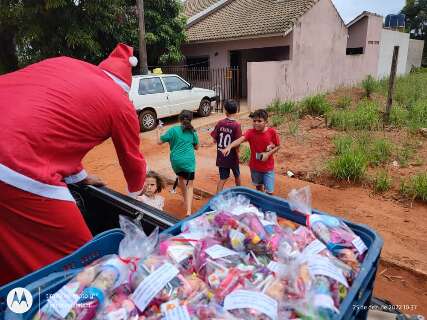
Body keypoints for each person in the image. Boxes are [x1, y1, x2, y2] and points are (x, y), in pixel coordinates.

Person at [0, 43, 147, 285]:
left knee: (10, 239)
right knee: (83, 257)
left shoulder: (69, 65)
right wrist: (137, 196)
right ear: (126, 87)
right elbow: (133, 162)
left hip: (13, 147)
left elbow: (56, 129)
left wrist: (80, 177)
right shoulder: (120, 103)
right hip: (14, 160)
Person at [222, 109, 280, 195]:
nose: (256, 123)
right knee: (259, 188)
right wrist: (229, 146)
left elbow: (278, 145)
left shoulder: (272, 132)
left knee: (269, 192)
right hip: (255, 168)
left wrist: (268, 154)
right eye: (254, 121)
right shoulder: (250, 133)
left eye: (259, 121)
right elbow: (240, 140)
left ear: (266, 122)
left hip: (268, 168)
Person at [158, 110, 199, 216]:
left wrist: (159, 130)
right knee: (190, 185)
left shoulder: (173, 130)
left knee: (181, 178)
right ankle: (189, 211)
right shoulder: (192, 131)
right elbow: (197, 147)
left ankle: (186, 200)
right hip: (188, 162)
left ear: (179, 119)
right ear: (190, 119)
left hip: (176, 162)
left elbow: (159, 141)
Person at [210, 100, 242, 193]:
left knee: (223, 178)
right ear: (236, 111)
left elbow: (214, 139)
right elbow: (238, 143)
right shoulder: (237, 125)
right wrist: (238, 155)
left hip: (222, 156)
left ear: (225, 111)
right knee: (237, 175)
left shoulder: (220, 123)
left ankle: (217, 198)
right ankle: (239, 193)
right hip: (232, 157)